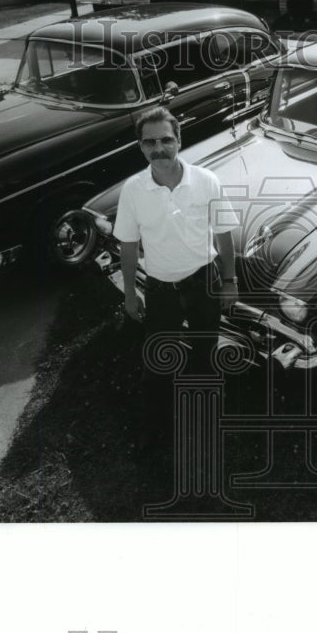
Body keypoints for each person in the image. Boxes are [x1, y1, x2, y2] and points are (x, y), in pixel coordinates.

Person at [113, 107, 239, 448]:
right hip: (161, 289)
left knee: (204, 356)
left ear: (179, 140)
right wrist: (128, 294)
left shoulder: (206, 180)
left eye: (166, 140)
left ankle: (207, 423)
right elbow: (128, 246)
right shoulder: (133, 190)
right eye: (149, 142)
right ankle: (154, 430)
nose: (159, 148)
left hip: (204, 283)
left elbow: (224, 234)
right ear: (140, 147)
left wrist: (229, 281)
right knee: (158, 363)